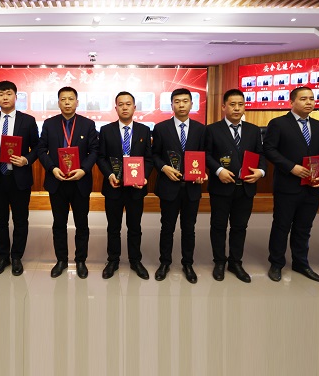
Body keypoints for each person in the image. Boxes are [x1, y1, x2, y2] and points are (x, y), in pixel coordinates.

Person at [263, 86, 319, 283]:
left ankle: (301, 262)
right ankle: (276, 263)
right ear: (291, 102)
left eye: (312, 98)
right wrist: (291, 167)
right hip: (287, 185)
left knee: (304, 227)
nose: (309, 102)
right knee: (281, 225)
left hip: (312, 186)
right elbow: (269, 149)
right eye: (303, 99)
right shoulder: (278, 123)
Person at [205, 89, 267, 283]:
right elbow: (206, 154)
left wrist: (261, 171)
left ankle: (235, 262)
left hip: (246, 187)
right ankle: (219, 261)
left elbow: (261, 154)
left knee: (240, 227)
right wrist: (218, 171)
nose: (237, 108)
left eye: (240, 104)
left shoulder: (253, 130)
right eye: (232, 104)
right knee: (218, 226)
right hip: (221, 187)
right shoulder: (212, 129)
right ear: (224, 107)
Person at [37, 86, 98, 279]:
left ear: (77, 102)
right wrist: (52, 168)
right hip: (57, 181)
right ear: (58, 103)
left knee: (82, 224)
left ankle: (81, 260)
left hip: (80, 182)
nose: (67, 103)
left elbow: (94, 151)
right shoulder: (49, 124)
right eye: (63, 99)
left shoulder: (88, 124)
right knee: (59, 224)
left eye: (71, 99)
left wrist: (84, 170)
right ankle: (61, 260)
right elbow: (41, 149)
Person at [0, 81, 39, 276]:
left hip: (19, 177)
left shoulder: (28, 121)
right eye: (0, 94)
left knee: (20, 220)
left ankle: (16, 257)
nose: (4, 97)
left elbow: (37, 147)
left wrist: (26, 159)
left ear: (16, 96)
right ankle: (2, 257)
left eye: (8, 93)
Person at [152, 88, 207, 284]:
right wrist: (164, 168)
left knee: (189, 228)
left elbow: (204, 155)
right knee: (167, 227)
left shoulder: (201, 129)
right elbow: (154, 155)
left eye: (185, 101)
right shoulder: (161, 128)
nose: (181, 105)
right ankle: (165, 262)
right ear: (171, 104)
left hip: (192, 188)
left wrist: (202, 173)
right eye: (177, 101)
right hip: (169, 186)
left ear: (192, 104)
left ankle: (188, 263)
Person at [96, 91, 153, 280]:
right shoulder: (106, 130)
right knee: (113, 226)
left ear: (134, 107)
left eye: (128, 104)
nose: (125, 107)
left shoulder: (144, 130)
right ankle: (113, 260)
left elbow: (149, 159)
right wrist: (110, 175)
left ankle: (135, 260)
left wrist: (143, 176)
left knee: (134, 226)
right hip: (114, 186)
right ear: (116, 108)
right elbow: (101, 157)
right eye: (121, 104)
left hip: (136, 188)